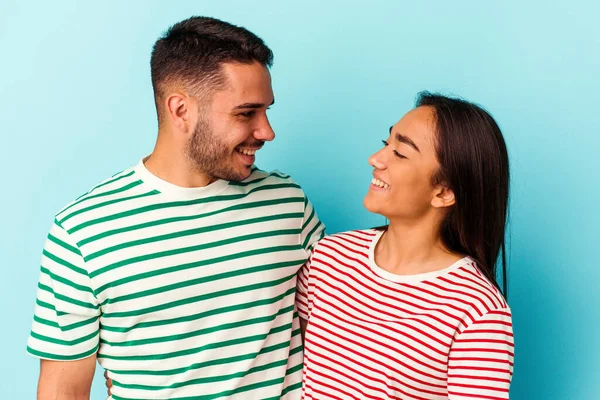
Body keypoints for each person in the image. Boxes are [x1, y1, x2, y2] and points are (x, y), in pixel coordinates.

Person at [27, 16, 324, 399]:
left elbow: (338, 325)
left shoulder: (288, 204)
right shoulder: (82, 232)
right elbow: (62, 391)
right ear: (181, 110)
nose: (267, 131)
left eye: (266, 110)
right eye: (246, 113)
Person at [296, 92, 514, 399]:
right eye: (387, 144)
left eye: (400, 153)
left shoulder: (477, 309)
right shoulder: (329, 257)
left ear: (444, 192)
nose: (376, 159)